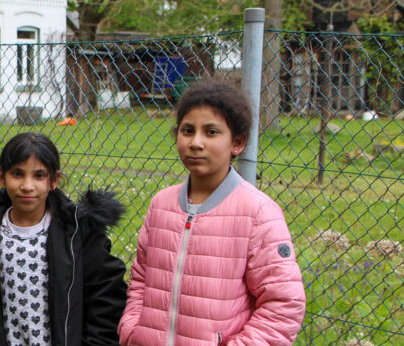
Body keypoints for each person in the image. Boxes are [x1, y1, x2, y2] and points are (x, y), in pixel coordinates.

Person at [118, 80, 306, 346]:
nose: (196, 142)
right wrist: (132, 329)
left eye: (211, 132)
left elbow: (283, 304)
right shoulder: (161, 204)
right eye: (187, 130)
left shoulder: (258, 213)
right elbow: (141, 279)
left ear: (237, 142)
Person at [0, 132, 127, 346]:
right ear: (1, 177)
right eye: (18, 174)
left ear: (54, 180)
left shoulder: (79, 235)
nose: (28, 185)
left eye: (39, 175)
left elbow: (105, 302)